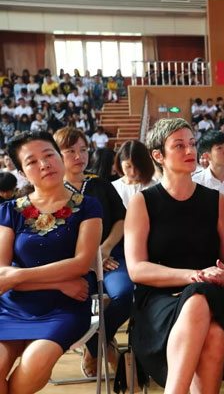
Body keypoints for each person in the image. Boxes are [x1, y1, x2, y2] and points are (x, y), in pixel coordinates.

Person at [124, 118, 224, 393]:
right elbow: (137, 269)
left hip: (211, 292)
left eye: (192, 144)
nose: (190, 151)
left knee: (201, 300)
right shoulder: (142, 202)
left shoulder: (216, 201)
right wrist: (195, 276)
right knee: (212, 330)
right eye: (179, 145)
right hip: (159, 297)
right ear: (158, 156)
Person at [0, 131, 102, 393]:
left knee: (35, 362)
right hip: (12, 307)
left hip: (64, 308)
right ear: (22, 172)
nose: (44, 164)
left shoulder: (88, 207)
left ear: (59, 156)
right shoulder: (10, 211)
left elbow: (80, 264)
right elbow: (2, 274)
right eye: (32, 162)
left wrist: (17, 276)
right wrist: (59, 282)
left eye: (49, 155)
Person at [53, 127, 133, 377]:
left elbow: (122, 219)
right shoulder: (52, 190)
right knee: (76, 300)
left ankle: (95, 346)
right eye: (70, 151)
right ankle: (102, 347)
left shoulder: (100, 184)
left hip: (111, 256)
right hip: (74, 263)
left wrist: (104, 249)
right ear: (56, 155)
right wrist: (89, 258)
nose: (79, 156)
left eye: (83, 150)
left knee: (126, 293)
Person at [112, 140, 156, 208]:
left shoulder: (154, 187)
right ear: (120, 164)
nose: (133, 172)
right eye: (128, 166)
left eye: (137, 167)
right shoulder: (113, 187)